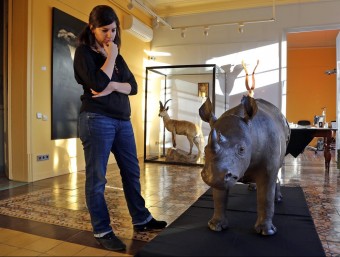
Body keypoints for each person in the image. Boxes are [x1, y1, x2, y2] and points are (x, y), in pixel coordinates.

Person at [73, 5, 167, 251]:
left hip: (122, 121)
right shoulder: (84, 53)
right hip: (96, 120)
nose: (110, 35)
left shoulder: (118, 55)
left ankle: (142, 219)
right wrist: (111, 57)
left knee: (131, 172)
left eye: (114, 30)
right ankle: (102, 230)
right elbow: (96, 82)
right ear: (92, 28)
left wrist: (113, 87)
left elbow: (133, 86)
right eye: (105, 30)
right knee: (97, 179)